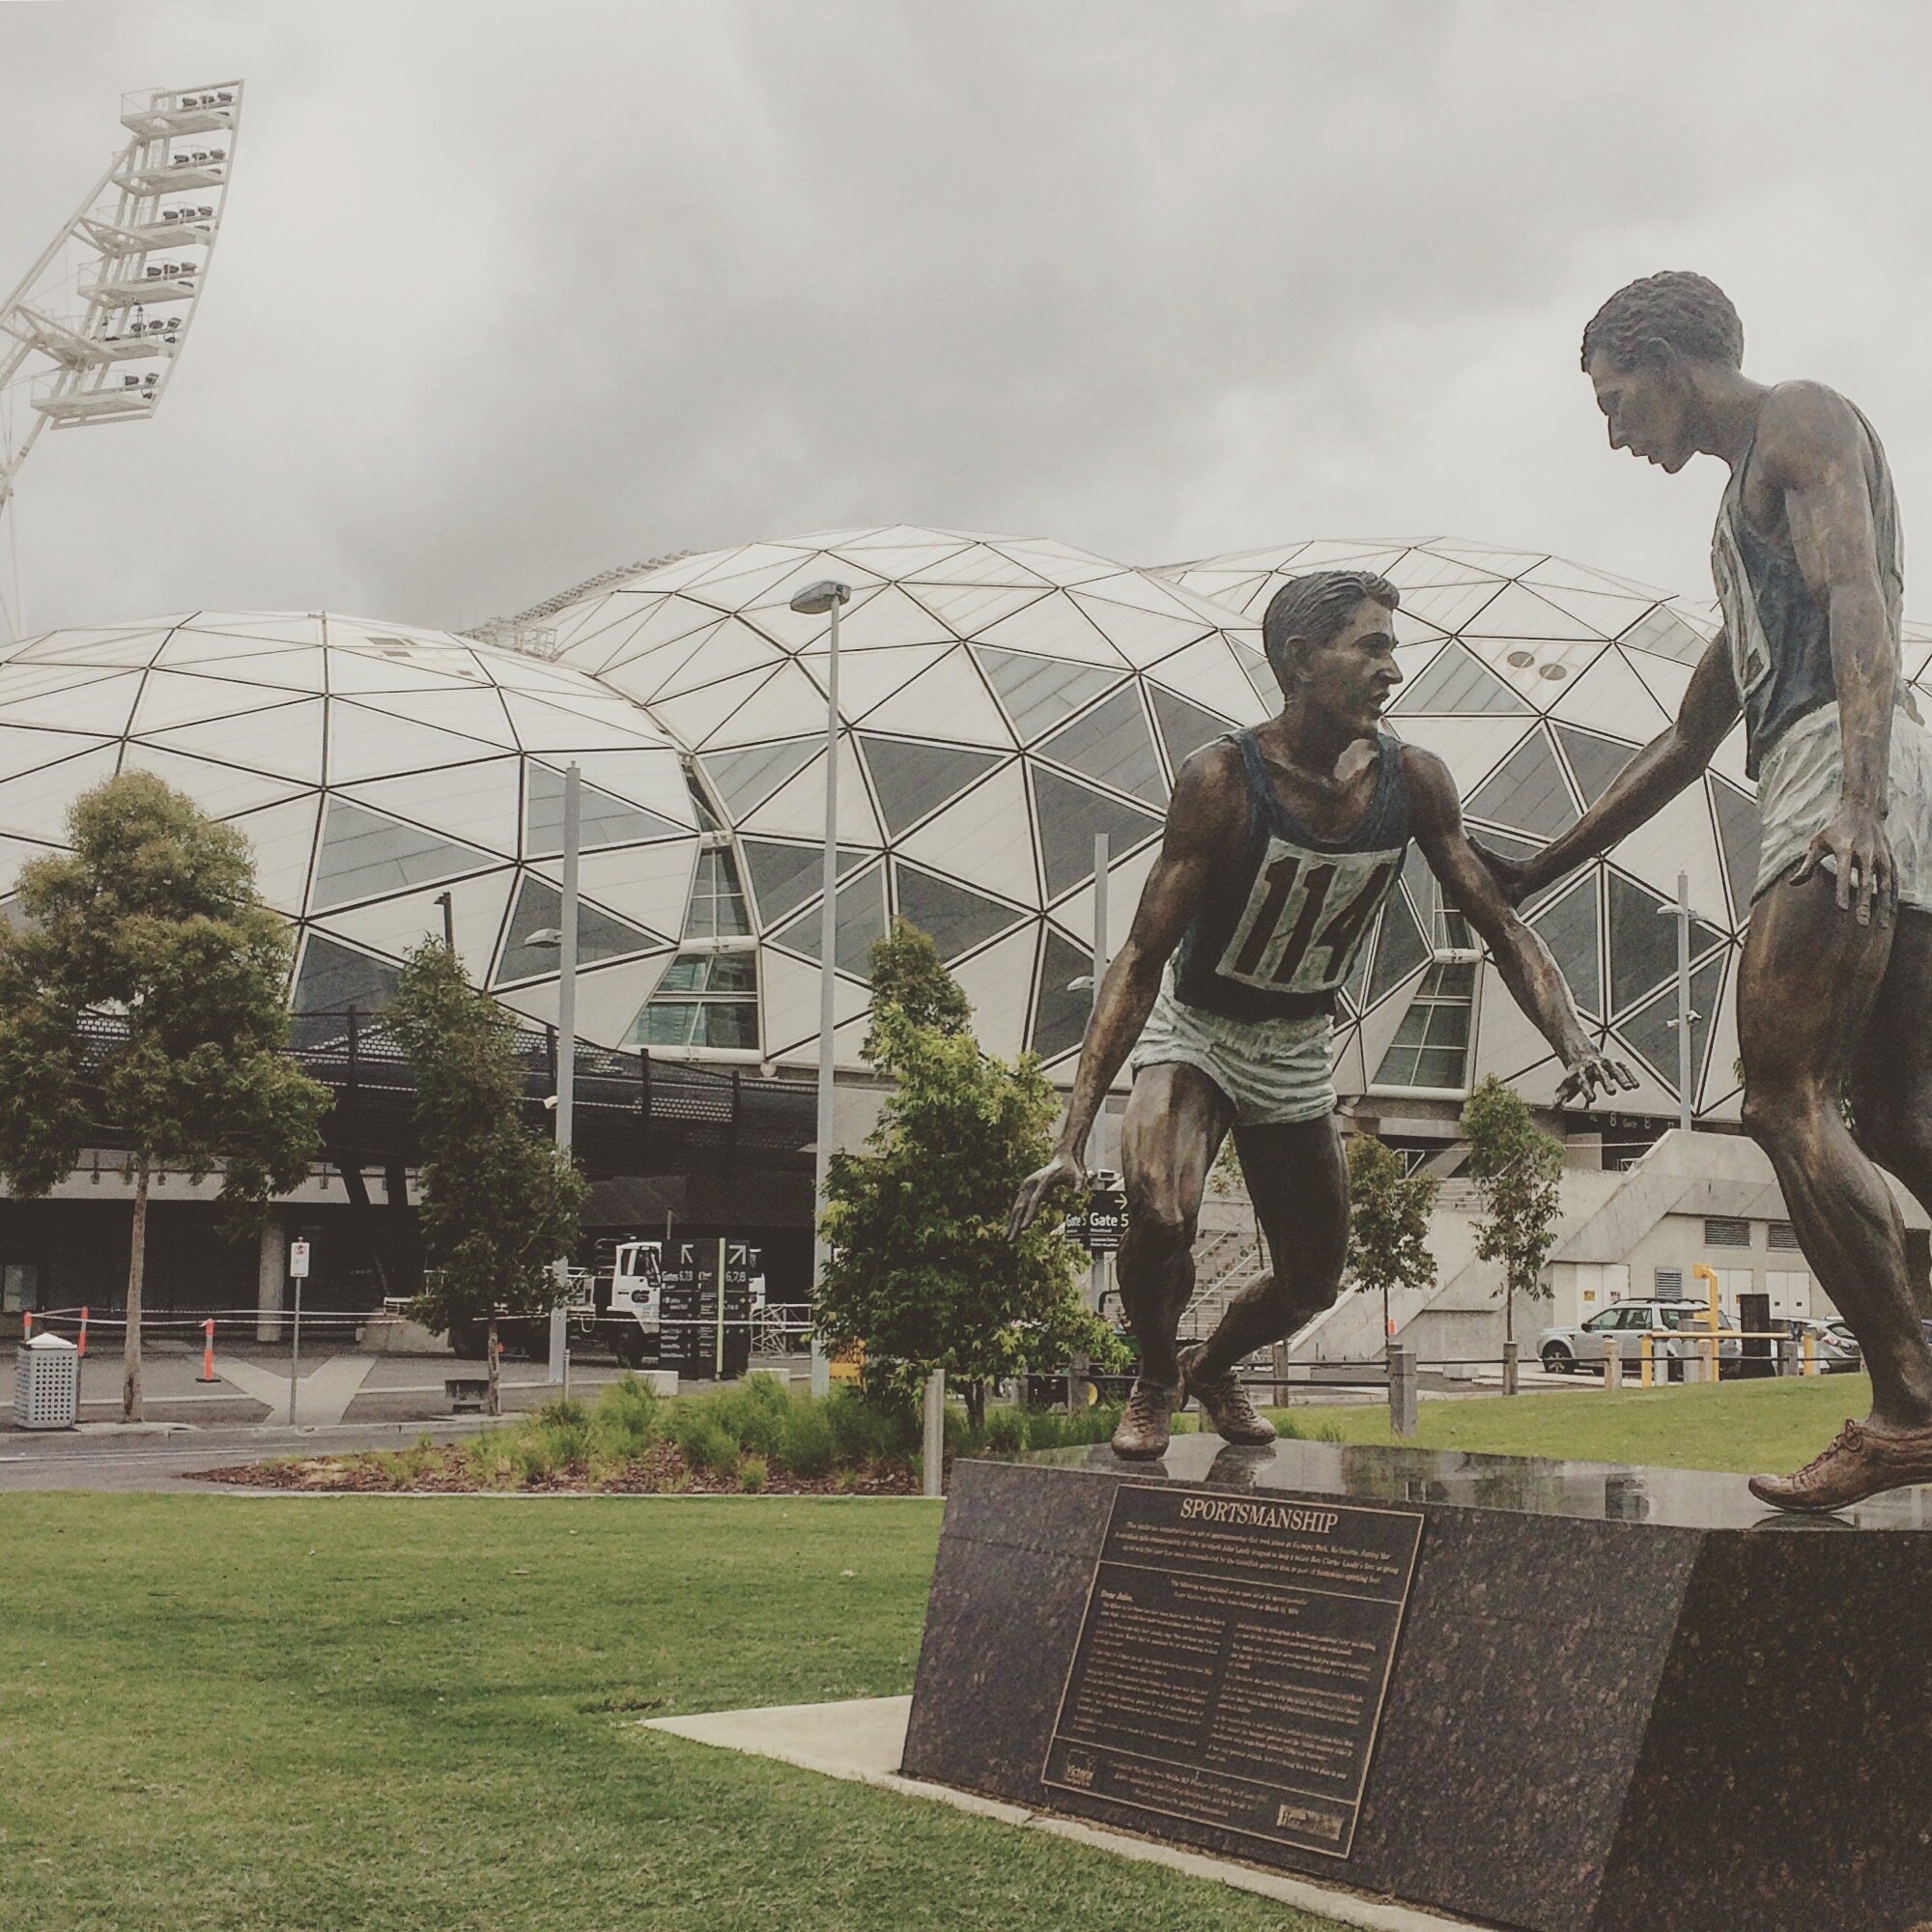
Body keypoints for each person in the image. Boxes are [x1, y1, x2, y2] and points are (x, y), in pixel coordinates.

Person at [1479, 270, 1932, 1512]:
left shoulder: (1795, 418)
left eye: (1618, 400)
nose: (1618, 433)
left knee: (1779, 1097)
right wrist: (1535, 867)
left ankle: (1905, 1411)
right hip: (1878, 771)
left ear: (1668, 362)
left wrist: (1851, 799)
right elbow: (1683, 740)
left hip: (1844, 764)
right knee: (1898, 1124)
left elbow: (1857, 598)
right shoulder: (1740, 523)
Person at [1006, 569, 1632, 1460]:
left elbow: (1497, 921)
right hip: (1199, 1032)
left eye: (1393, 648)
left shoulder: (1412, 780)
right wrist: (1071, 1135)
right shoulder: (1222, 779)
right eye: (1371, 646)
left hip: (1298, 1046)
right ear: (1302, 659)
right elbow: (1141, 956)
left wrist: (1570, 1037)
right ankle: (1153, 1377)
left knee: (1310, 1284)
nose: (1392, 669)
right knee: (1159, 1206)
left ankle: (1209, 1364)